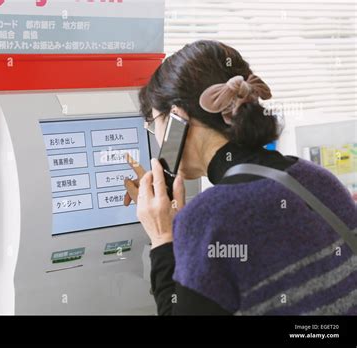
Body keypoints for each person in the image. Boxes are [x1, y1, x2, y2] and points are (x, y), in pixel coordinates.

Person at [123, 40, 357, 315]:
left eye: (154, 124)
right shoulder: (319, 179)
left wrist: (163, 237)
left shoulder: (208, 218)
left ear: (177, 117)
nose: (158, 138)